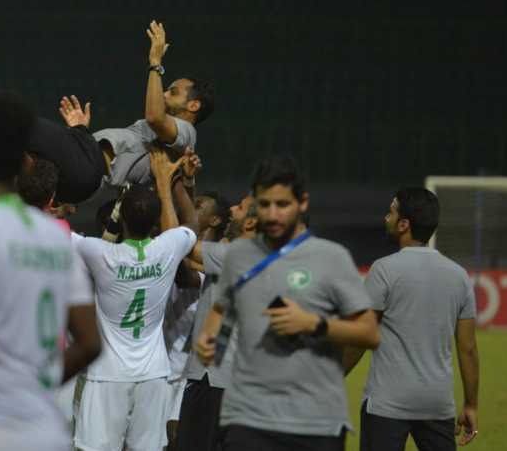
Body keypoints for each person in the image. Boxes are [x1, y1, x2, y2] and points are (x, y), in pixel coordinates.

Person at [0, 21, 214, 203]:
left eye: (174, 91)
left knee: (6, 117)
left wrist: (155, 62)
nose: (166, 91)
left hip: (86, 164)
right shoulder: (172, 143)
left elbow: (156, 117)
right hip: (80, 170)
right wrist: (80, 132)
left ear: (193, 106)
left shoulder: (186, 133)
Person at [0, 93, 102, 451]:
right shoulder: (54, 236)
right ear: (24, 161)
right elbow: (90, 341)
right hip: (49, 433)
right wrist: (39, 383)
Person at [195, 155, 380, 451]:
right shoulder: (240, 256)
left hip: (314, 422)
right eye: (265, 204)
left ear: (302, 202)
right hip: (248, 418)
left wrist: (314, 324)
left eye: (282, 205)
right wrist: (209, 339)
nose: (273, 214)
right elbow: (220, 310)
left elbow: (369, 332)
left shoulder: (331, 258)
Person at [73, 150, 197, 451]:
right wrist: (169, 183)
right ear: (156, 221)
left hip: (107, 376)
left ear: (121, 218)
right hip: (154, 374)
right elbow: (190, 225)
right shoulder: (166, 249)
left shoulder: (99, 252)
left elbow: (56, 231)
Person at [344, 188, 480, 451]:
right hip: (437, 405)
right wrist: (471, 405)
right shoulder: (459, 276)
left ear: (404, 224)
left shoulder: (384, 269)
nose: (386, 217)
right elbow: (468, 348)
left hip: (387, 403)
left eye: (391, 211)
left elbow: (360, 338)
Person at [174, 193, 258, 451]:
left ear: (251, 222)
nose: (233, 208)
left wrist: (169, 187)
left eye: (241, 207)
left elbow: (176, 242)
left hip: (214, 380)